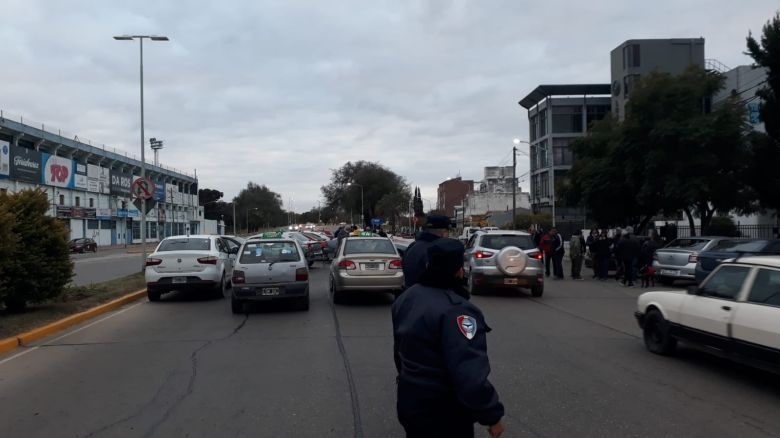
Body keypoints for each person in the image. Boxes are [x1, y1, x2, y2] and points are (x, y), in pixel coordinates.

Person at [392, 238, 505, 438]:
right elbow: (468, 372)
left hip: (410, 399)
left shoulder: (407, 297)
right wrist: (491, 415)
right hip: (442, 410)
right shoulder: (457, 310)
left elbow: (398, 351)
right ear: (458, 270)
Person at [401, 215, 451, 288]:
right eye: (448, 232)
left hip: (410, 294)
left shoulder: (412, 246)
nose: (448, 236)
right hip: (430, 296)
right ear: (443, 233)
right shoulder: (437, 251)